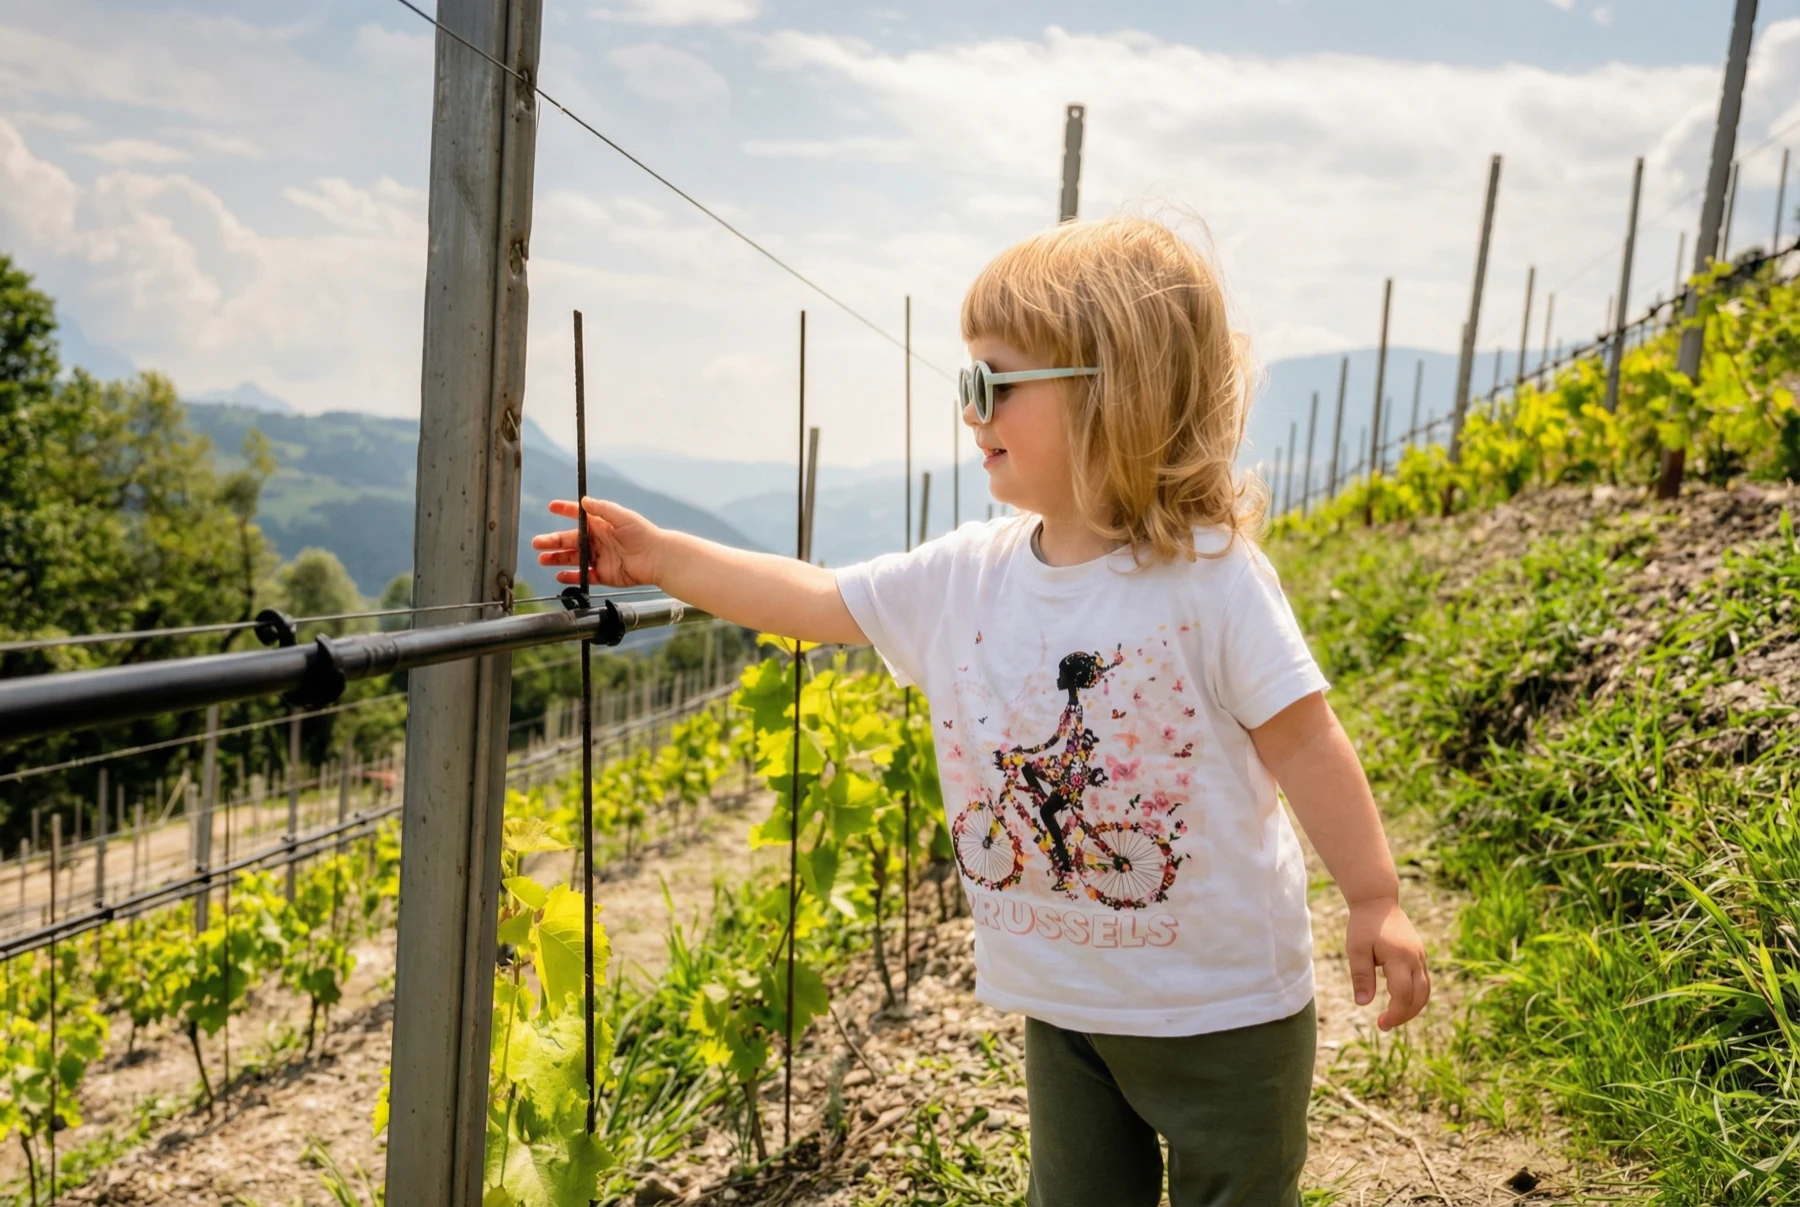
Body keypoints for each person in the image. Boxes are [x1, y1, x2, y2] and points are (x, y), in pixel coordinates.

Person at [532, 214, 1430, 1207]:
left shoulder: (1211, 581)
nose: (970, 410)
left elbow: (1305, 737)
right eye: (968, 382)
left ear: (1113, 396)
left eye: (992, 383)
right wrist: (667, 563)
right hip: (1068, 1010)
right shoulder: (968, 576)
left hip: (1224, 1012)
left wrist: (1374, 893)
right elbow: (819, 601)